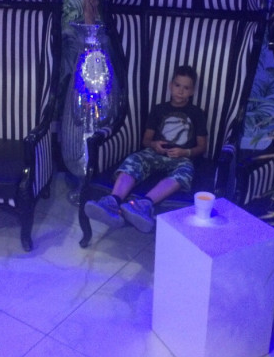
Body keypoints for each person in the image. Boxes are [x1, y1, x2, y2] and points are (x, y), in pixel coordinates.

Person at [84, 65, 208, 232]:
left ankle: (144, 205)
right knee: (134, 159)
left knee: (185, 172)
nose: (180, 91)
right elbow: (146, 140)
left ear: (192, 91)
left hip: (181, 158)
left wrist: (186, 152)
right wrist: (154, 145)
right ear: (170, 85)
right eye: (177, 85)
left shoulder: (197, 113)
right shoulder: (159, 109)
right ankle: (112, 201)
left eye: (186, 88)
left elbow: (202, 147)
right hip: (155, 153)